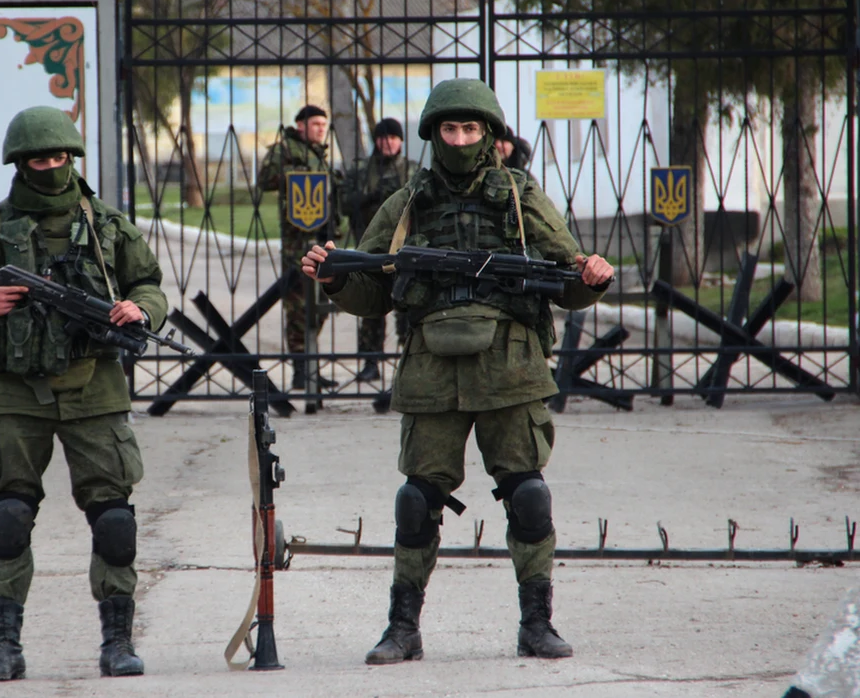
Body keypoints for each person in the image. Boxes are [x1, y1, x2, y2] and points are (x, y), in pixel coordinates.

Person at [300, 79, 614, 663]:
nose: (461, 139)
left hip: (510, 369)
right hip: (432, 371)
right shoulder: (407, 202)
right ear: (433, 134)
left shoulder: (521, 197)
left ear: (490, 134)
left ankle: (536, 624)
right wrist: (336, 277)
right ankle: (403, 628)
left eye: (471, 129)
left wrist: (590, 276)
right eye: (450, 128)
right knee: (417, 501)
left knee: (528, 497)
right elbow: (373, 287)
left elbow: (567, 276)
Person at [0, 106, 167, 681]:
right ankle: (4, 645)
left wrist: (140, 309)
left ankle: (117, 641)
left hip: (95, 390)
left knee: (114, 519)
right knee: (10, 516)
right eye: (41, 158)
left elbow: (149, 286)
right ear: (20, 162)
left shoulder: (109, 225)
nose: (52, 165)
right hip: (16, 394)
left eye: (61, 157)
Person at [259, 104, 344, 389]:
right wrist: (292, 172)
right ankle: (300, 371)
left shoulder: (320, 156)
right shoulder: (286, 149)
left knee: (319, 305)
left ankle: (310, 367)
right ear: (300, 126)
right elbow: (265, 180)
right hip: (298, 243)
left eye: (323, 124)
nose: (321, 128)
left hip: (322, 240)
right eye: (316, 124)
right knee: (298, 308)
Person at [343, 117, 416, 382]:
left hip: (406, 251)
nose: (389, 143)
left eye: (394, 138)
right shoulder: (362, 171)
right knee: (371, 306)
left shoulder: (411, 170)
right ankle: (370, 361)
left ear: (400, 141)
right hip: (371, 248)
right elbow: (344, 203)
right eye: (384, 138)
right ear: (376, 141)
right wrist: (370, 197)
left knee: (407, 306)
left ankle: (410, 361)